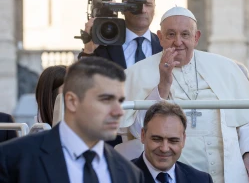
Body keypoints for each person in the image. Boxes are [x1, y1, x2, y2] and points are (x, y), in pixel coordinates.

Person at [120, 6, 249, 183]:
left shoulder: (225, 67)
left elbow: (247, 121)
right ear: (160, 38)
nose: (178, 42)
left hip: (228, 172)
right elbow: (138, 129)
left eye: (185, 34)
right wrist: (163, 84)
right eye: (170, 34)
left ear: (196, 37)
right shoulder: (136, 73)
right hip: (175, 174)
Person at [0, 57, 143, 183]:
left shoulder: (130, 174)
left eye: (120, 101)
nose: (119, 112)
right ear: (72, 101)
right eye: (106, 99)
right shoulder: (12, 160)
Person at [78, 0, 162, 69]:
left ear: (154, 9)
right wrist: (88, 51)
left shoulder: (164, 46)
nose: (143, 10)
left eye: (148, 5)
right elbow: (82, 80)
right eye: (136, 5)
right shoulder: (101, 46)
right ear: (122, 8)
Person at [132, 101, 213, 183]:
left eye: (173, 140)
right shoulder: (120, 176)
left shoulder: (202, 180)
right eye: (157, 139)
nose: (164, 149)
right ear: (143, 135)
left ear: (183, 140)